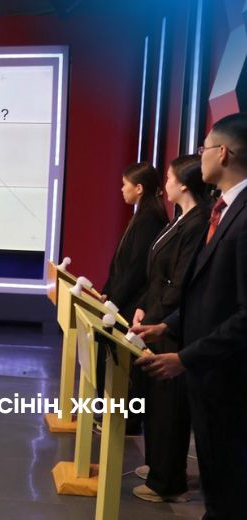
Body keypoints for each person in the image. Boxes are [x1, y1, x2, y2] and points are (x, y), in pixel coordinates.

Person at [133, 113, 247, 519]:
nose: (200, 158)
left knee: (231, 484)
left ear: (223, 153)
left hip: (228, 375)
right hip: (208, 370)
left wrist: (186, 357)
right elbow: (208, 292)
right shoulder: (223, 209)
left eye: (203, 149)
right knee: (217, 477)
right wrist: (168, 325)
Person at [130, 155, 210, 503]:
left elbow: (179, 282)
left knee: (169, 405)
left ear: (184, 184)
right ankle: (159, 466)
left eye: (169, 177)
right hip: (156, 316)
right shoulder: (179, 219)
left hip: (171, 325)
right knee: (158, 403)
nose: (165, 183)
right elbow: (156, 272)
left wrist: (157, 319)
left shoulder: (198, 222)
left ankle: (168, 481)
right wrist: (143, 305)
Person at [98, 162, 168, 434]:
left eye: (125, 184)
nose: (121, 189)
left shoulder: (149, 218)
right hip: (122, 300)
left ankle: (129, 418)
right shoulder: (141, 215)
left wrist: (114, 301)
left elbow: (136, 269)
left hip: (131, 304)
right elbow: (121, 264)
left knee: (129, 365)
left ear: (138, 188)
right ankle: (117, 413)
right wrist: (108, 291)